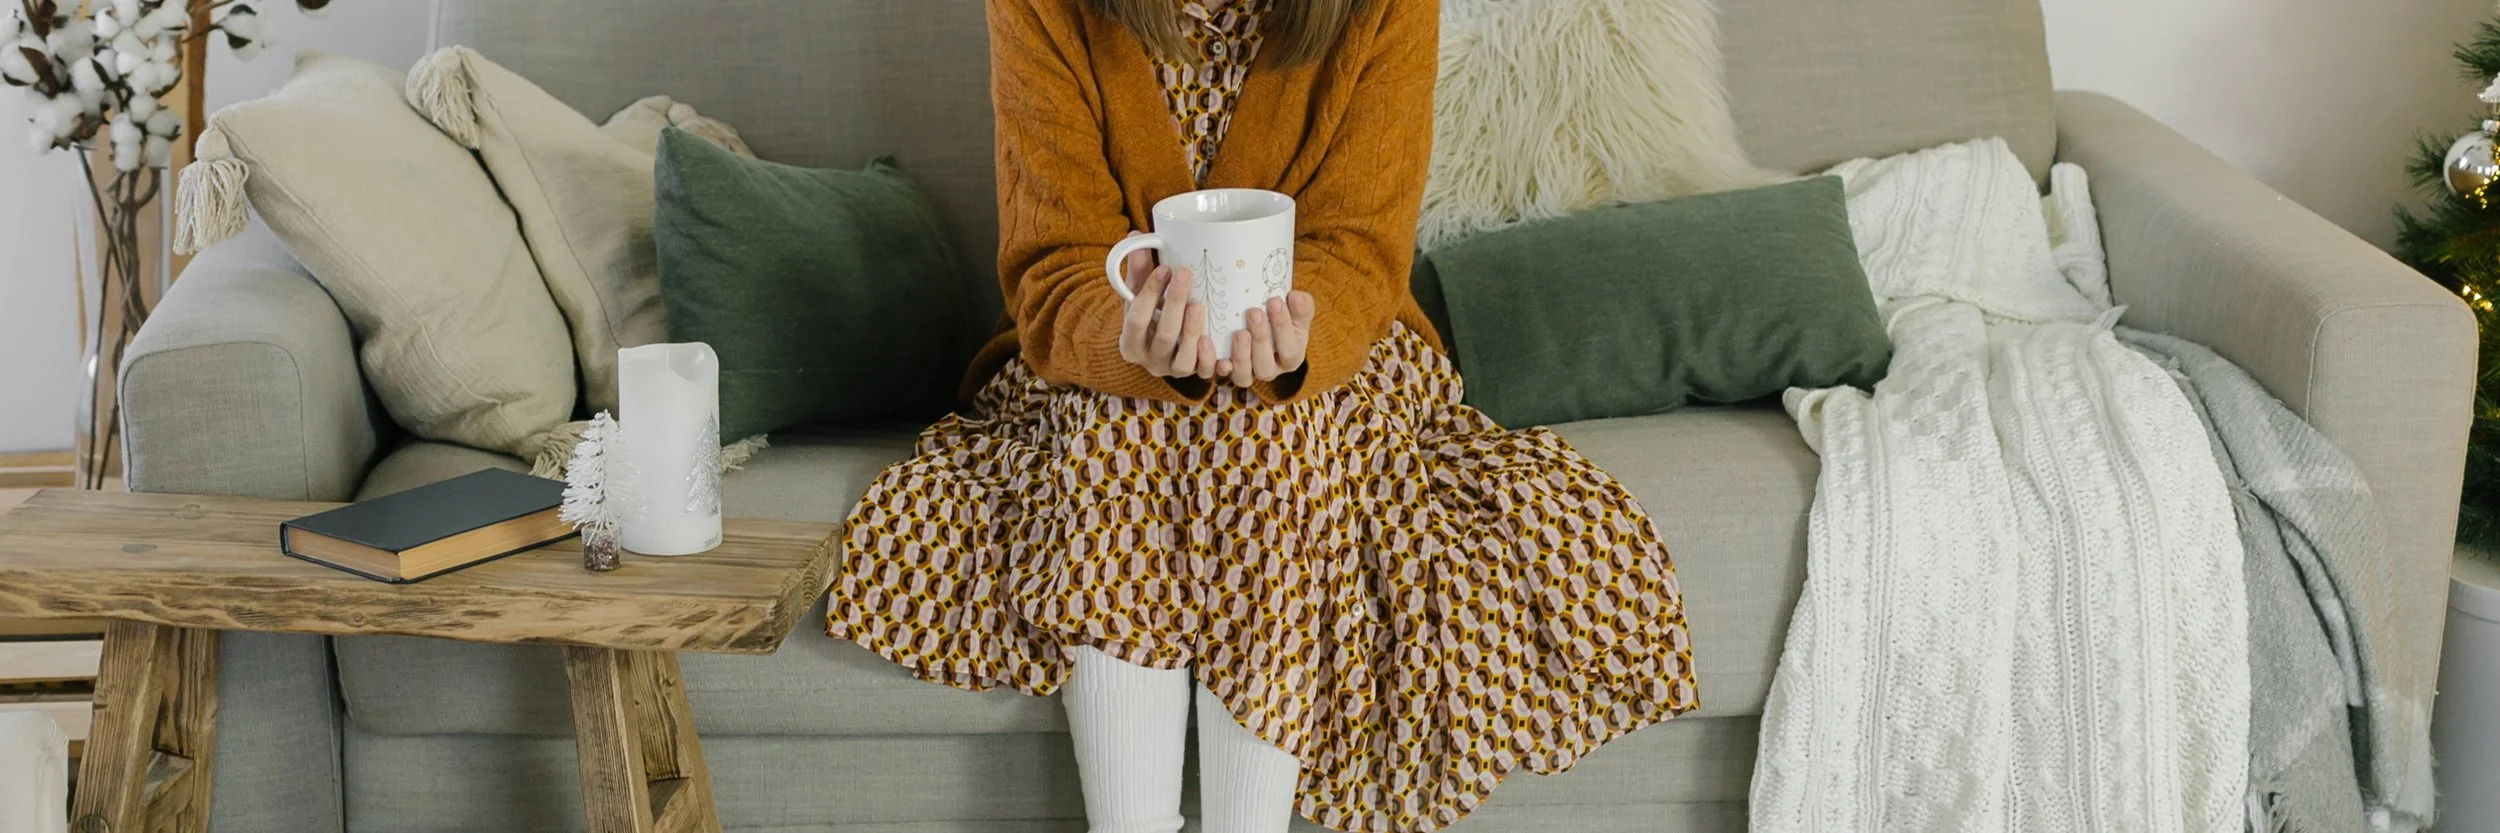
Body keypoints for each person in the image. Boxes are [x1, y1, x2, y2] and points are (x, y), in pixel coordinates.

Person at [825, 0, 1697, 830]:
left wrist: (1290, 345)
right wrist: (1133, 347)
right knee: (1128, 415)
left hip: (1331, 356)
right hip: (1097, 358)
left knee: (1264, 420)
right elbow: (1053, 263)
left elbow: (1362, 245)